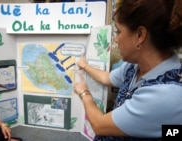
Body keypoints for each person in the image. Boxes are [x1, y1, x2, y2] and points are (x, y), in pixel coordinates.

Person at [74, 0, 182, 140]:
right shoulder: (135, 66)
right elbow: (107, 78)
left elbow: (99, 125)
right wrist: (85, 66)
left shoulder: (165, 94)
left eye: (118, 31)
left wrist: (84, 93)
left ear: (140, 35)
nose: (116, 40)